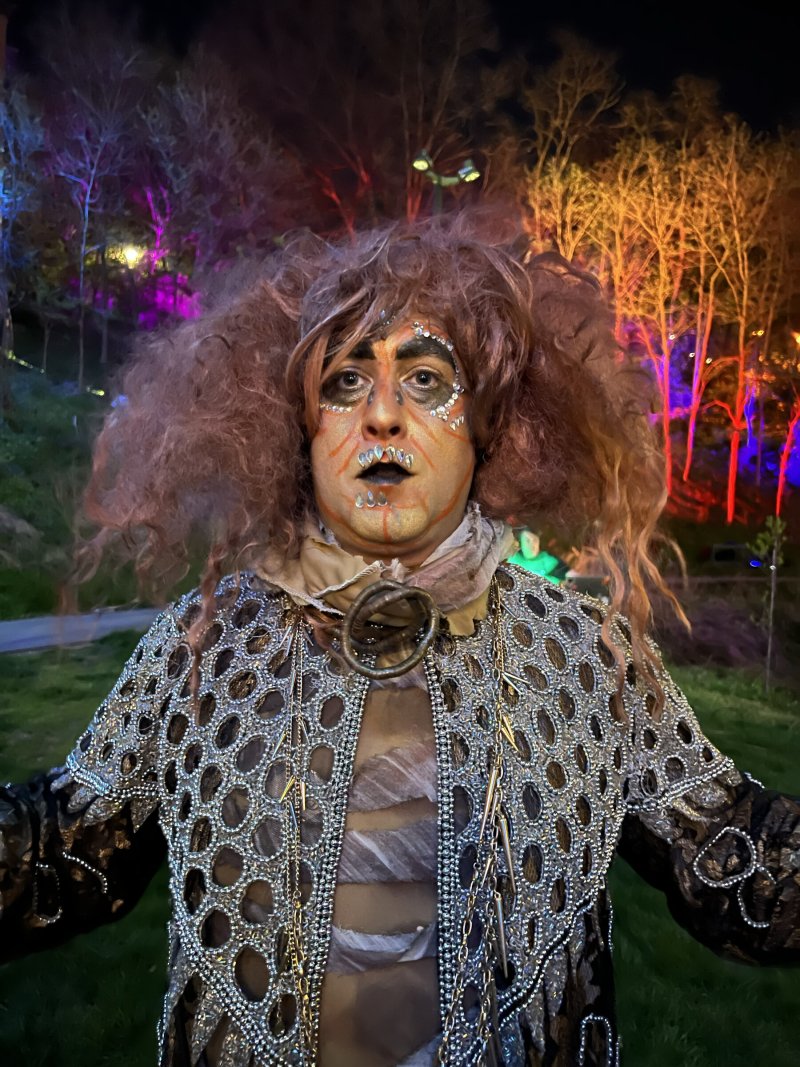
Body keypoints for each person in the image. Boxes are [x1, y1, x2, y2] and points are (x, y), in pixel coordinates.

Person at [1, 215, 798, 1067]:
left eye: (425, 379)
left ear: (488, 424)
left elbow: (735, 861)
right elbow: (58, 850)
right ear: (295, 433)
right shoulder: (201, 649)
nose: (383, 414)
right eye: (344, 383)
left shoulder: (586, 655)